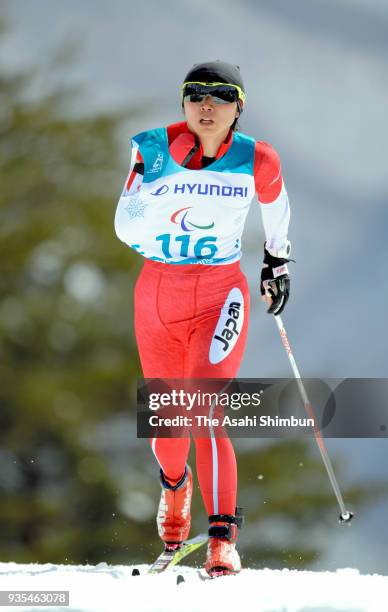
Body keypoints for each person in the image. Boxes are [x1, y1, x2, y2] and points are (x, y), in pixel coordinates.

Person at [114, 60, 292, 577]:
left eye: (221, 95)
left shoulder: (255, 157)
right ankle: (175, 485)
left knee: (204, 408)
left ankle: (221, 538)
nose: (207, 104)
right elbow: (124, 224)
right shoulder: (149, 146)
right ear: (184, 103)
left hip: (220, 292)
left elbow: (277, 205)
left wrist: (277, 261)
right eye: (196, 94)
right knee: (169, 420)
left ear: (239, 106)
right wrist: (151, 208)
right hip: (158, 291)